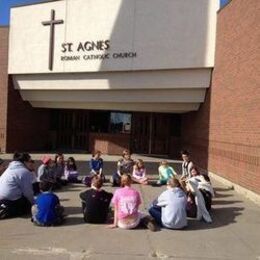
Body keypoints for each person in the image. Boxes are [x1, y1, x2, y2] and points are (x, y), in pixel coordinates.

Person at [0, 152, 34, 219]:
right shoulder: (24, 171)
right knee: (27, 206)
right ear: (25, 162)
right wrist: (33, 203)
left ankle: (4, 207)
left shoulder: (9, 168)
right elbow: (28, 192)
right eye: (30, 161)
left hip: (1, 198)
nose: (31, 163)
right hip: (11, 200)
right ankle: (6, 210)